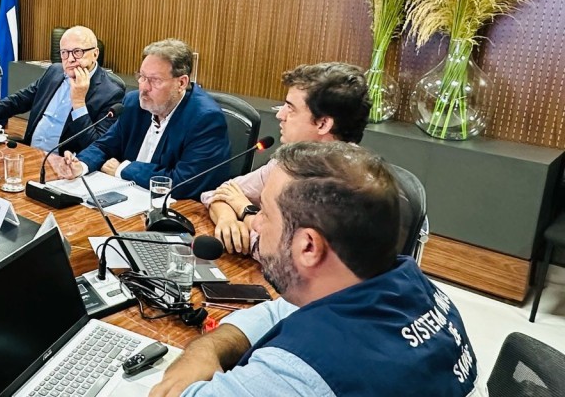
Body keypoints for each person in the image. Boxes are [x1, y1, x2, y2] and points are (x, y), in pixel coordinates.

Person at [150, 142, 478, 397]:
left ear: (308, 246)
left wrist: (190, 361)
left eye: (265, 213)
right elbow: (277, 311)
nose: (255, 224)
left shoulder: (300, 373)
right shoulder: (409, 283)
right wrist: (206, 349)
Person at [203, 62, 370, 254]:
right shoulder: (287, 162)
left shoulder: (344, 187)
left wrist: (245, 210)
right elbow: (219, 193)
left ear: (323, 124)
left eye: (291, 108)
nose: (280, 115)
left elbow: (284, 255)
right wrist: (227, 219)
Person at [49, 39, 230, 200]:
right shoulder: (134, 103)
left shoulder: (205, 119)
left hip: (174, 211)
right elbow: (105, 146)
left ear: (181, 83)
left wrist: (122, 169)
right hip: (124, 198)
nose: (143, 87)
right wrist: (80, 165)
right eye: (142, 77)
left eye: (154, 80)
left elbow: (182, 182)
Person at [0, 26, 125, 153]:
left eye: (78, 52)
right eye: (64, 53)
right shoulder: (54, 72)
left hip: (66, 167)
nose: (70, 59)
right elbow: (16, 102)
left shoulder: (111, 93)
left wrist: (79, 103)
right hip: (30, 154)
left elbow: (96, 147)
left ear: (95, 54)